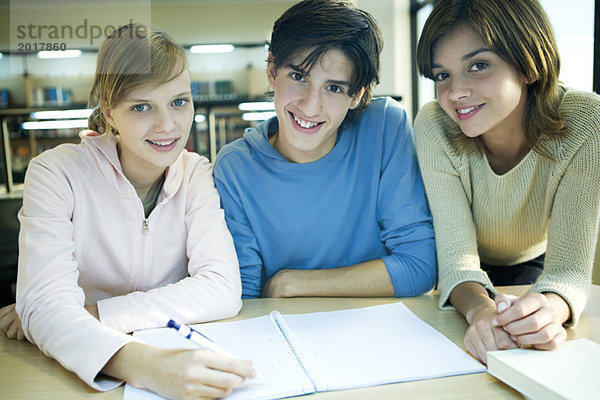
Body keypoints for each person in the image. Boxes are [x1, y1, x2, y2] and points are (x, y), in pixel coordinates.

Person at [0, 24, 255, 398]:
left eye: (179, 102)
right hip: (84, 375)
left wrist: (91, 314)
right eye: (141, 106)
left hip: (147, 349)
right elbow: (44, 305)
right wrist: (147, 365)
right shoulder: (55, 173)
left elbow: (222, 289)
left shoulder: (195, 173)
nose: (168, 125)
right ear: (109, 112)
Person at [414, 0, 600, 363]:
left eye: (478, 66)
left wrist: (551, 308)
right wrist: (481, 312)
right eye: (442, 75)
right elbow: (456, 261)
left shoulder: (586, 121)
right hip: (460, 278)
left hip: (533, 263)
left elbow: (569, 272)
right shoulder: (435, 125)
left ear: (529, 65)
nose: (455, 93)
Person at [213, 0, 436, 299]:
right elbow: (244, 296)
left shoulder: (384, 127)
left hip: (380, 329)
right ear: (272, 71)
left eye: (333, 88)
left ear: (357, 95)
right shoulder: (235, 167)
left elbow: (419, 267)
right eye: (298, 77)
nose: (310, 106)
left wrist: (291, 284)